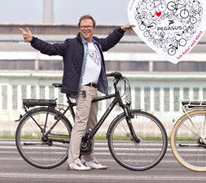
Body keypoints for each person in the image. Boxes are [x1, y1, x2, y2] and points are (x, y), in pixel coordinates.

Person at [20, 15, 134, 171]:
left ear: (94, 28)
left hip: (94, 89)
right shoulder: (71, 44)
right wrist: (33, 40)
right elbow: (51, 49)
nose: (86, 28)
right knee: (80, 125)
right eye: (83, 26)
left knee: (91, 126)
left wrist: (121, 30)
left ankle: (88, 158)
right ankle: (73, 160)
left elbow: (110, 41)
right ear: (79, 28)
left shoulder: (97, 44)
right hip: (82, 89)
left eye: (89, 26)